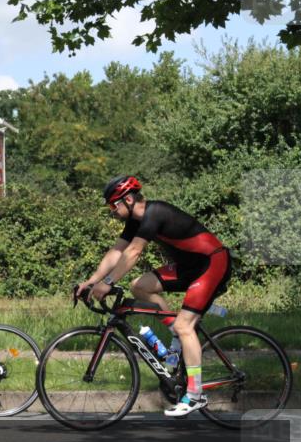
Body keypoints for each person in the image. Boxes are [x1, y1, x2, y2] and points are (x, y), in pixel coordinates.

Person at [78, 175, 232, 417]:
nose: (111, 210)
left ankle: (194, 395)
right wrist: (92, 280)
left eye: (112, 205)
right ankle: (176, 332)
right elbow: (117, 252)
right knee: (140, 286)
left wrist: (108, 283)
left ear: (127, 199)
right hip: (189, 267)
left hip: (212, 263)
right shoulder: (135, 222)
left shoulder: (155, 212)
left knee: (185, 326)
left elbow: (134, 251)